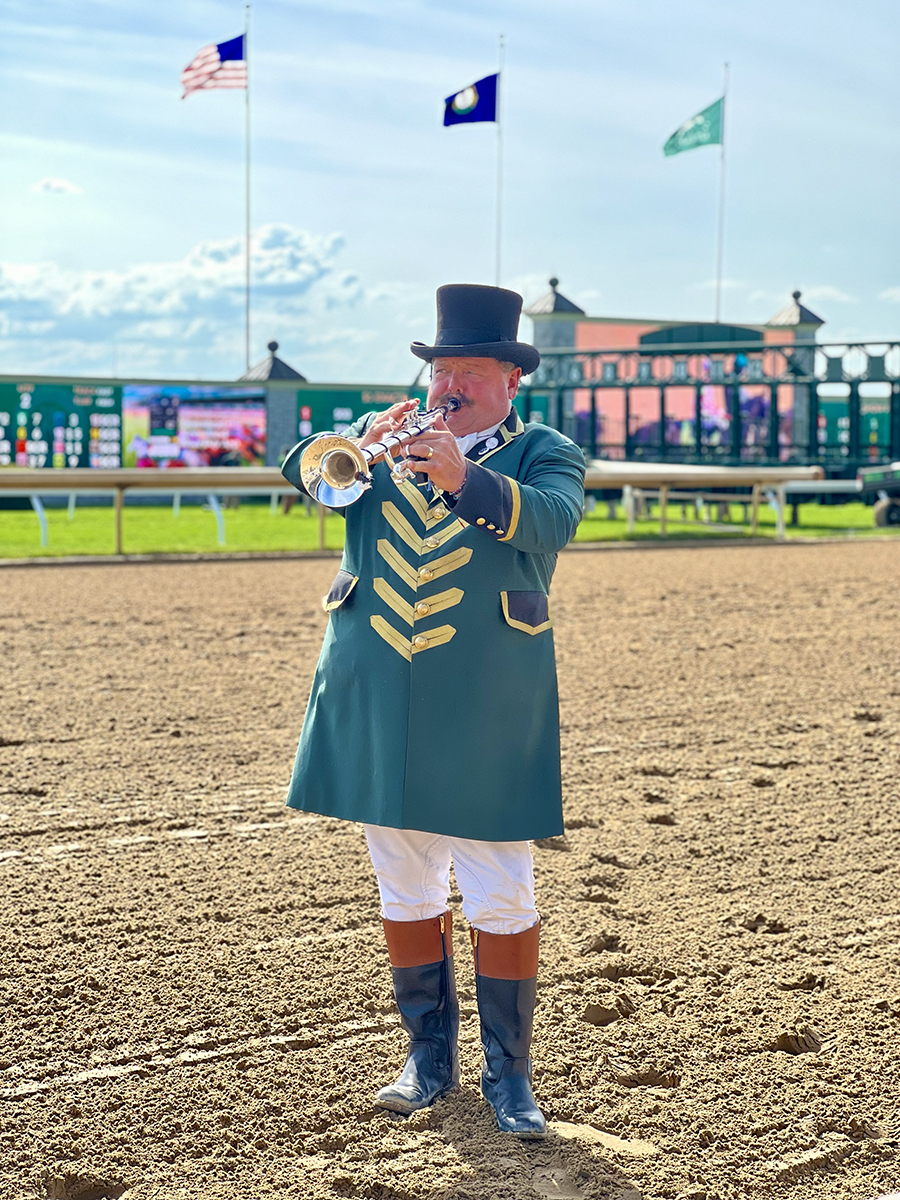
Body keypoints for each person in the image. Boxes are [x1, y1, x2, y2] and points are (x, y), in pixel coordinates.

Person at [281, 284, 585, 1137]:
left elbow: (553, 524)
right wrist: (357, 445)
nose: (450, 386)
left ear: (511, 381)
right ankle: (427, 1059)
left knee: (501, 891)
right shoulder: (383, 443)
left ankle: (509, 1078)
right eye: (441, 370)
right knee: (404, 881)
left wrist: (465, 477)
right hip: (382, 695)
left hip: (488, 703)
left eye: (470, 372)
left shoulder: (546, 451)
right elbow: (305, 472)